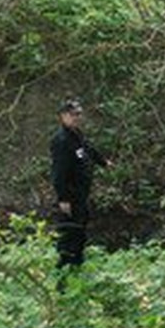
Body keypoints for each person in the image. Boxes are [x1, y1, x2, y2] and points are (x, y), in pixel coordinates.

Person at [49, 98, 110, 269]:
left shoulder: (76, 135)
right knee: (70, 233)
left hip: (81, 194)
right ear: (63, 116)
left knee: (80, 231)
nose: (76, 118)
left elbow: (87, 148)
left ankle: (77, 264)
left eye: (78, 114)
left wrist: (102, 162)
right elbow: (59, 172)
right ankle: (64, 270)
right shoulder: (61, 141)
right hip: (70, 195)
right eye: (72, 114)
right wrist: (63, 198)